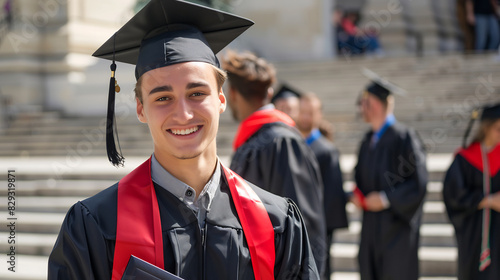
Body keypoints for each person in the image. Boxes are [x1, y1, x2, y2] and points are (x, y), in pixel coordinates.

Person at [47, 1, 320, 279]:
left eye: (197, 93)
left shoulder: (276, 222)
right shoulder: (96, 225)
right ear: (141, 109)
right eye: (163, 98)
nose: (184, 114)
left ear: (221, 100)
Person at [222, 50, 327, 277]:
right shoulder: (256, 139)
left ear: (232, 94)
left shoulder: (283, 142)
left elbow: (303, 226)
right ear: (269, 92)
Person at [351, 72, 428, 280]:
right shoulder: (368, 140)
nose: (360, 109)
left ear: (374, 105)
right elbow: (359, 176)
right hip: (371, 228)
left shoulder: (404, 137)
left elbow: (418, 184)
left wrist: (386, 199)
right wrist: (357, 194)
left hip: (396, 230)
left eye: (363, 103)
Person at [443, 103, 500, 279]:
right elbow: (453, 195)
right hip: (474, 235)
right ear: (486, 128)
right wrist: (487, 201)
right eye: (498, 128)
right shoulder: (465, 158)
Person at [297, 92, 348, 279]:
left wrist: (320, 231)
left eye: (310, 112)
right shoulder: (291, 144)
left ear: (319, 115)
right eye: (302, 112)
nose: (305, 117)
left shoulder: (327, 151)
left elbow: (333, 197)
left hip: (317, 230)